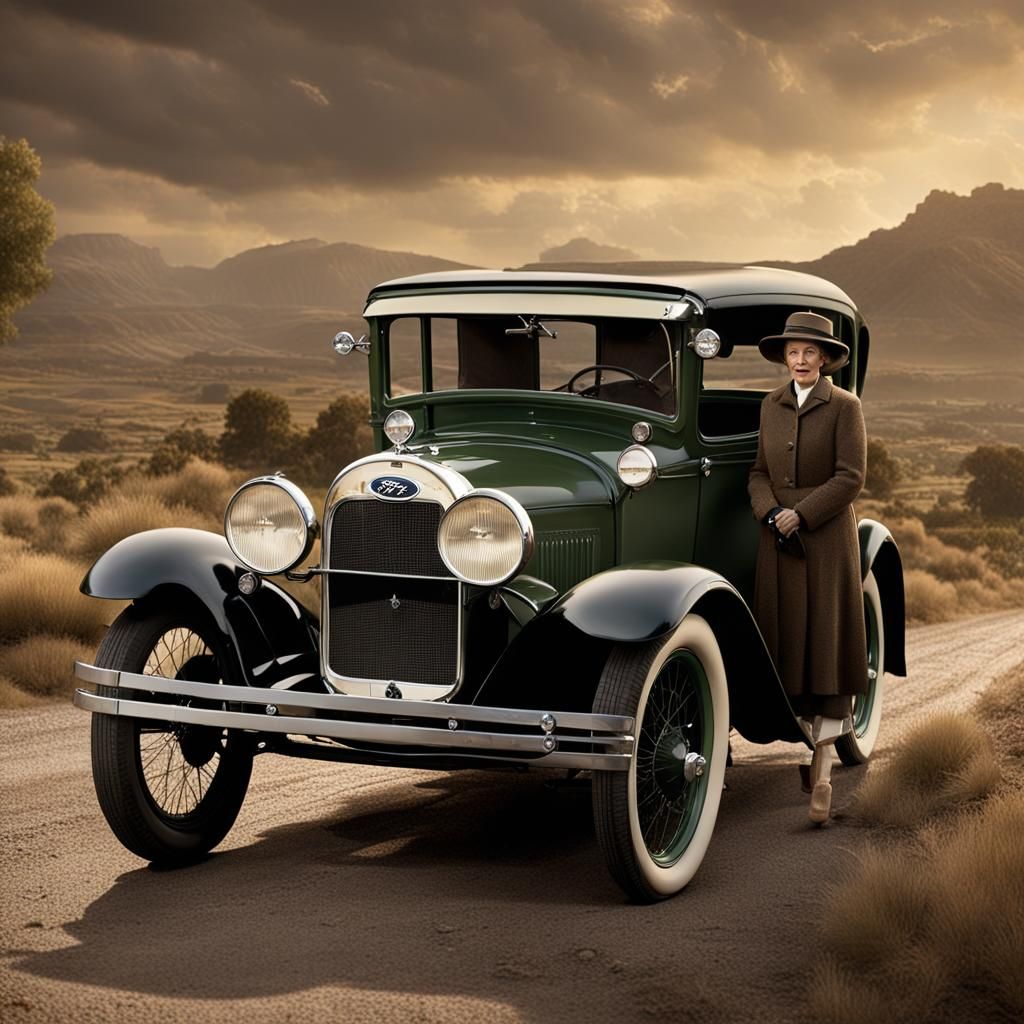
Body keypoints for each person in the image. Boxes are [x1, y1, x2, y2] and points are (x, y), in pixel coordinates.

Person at [747, 311, 868, 824]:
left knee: (825, 647)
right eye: (793, 352)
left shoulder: (845, 406)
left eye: (809, 352)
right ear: (785, 357)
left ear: (825, 359)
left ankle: (821, 776)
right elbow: (758, 473)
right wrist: (770, 512)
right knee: (786, 645)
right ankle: (798, 742)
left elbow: (851, 477)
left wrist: (802, 514)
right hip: (777, 540)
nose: (800, 360)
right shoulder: (769, 405)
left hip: (825, 541)